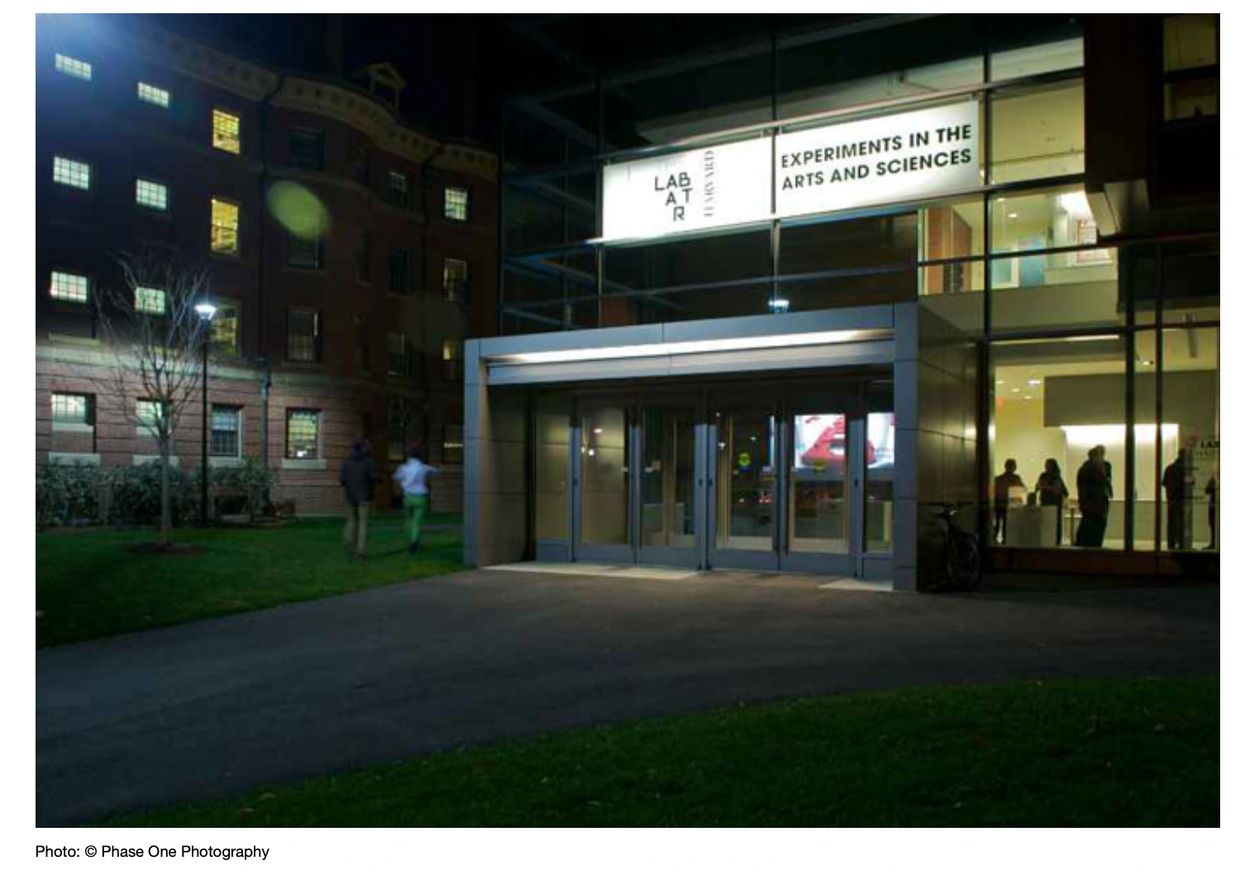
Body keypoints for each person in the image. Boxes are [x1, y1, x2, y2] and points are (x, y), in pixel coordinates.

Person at [393, 446, 438, 553]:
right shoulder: (423, 467)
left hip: (408, 496)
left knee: (408, 519)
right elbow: (436, 471)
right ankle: (414, 541)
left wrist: (402, 483)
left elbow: (396, 477)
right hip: (421, 496)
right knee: (417, 521)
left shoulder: (404, 468)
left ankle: (410, 540)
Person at [339, 438, 378, 559]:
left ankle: (348, 542)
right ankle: (360, 551)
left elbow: (342, 480)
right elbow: (375, 477)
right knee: (363, 523)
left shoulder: (346, 461)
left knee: (351, 521)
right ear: (363, 448)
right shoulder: (368, 461)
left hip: (350, 496)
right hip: (364, 496)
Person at [1075, 446, 1110, 548]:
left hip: (1089, 505)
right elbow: (1100, 487)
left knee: (1086, 529)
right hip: (1095, 506)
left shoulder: (1084, 469)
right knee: (1095, 532)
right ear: (1095, 457)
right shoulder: (1095, 470)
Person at [1035, 458, 1069, 546]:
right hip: (1046, 502)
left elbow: (1061, 490)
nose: (1045, 466)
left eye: (1047, 464)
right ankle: (1047, 539)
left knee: (1055, 522)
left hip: (1054, 503)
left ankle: (1056, 541)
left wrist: (1045, 487)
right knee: (1046, 522)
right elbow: (1038, 486)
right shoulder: (1043, 475)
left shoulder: (1056, 476)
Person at [992, 458, 1025, 545]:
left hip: (998, 503)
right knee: (1007, 524)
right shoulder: (1016, 478)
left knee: (997, 523)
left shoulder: (998, 479)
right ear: (1014, 467)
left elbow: (994, 491)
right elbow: (1021, 490)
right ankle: (1005, 541)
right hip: (1009, 504)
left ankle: (993, 540)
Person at [1162, 449, 1187, 551]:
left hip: (1171, 499)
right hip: (1181, 499)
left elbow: (1164, 483)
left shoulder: (1169, 468)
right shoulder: (1185, 469)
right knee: (1181, 522)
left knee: (1171, 522)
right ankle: (1181, 543)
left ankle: (1171, 543)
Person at [1206, 475, 1217, 551]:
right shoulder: (1213, 479)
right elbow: (1206, 490)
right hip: (1213, 505)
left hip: (1215, 505)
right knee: (1213, 525)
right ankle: (1213, 543)